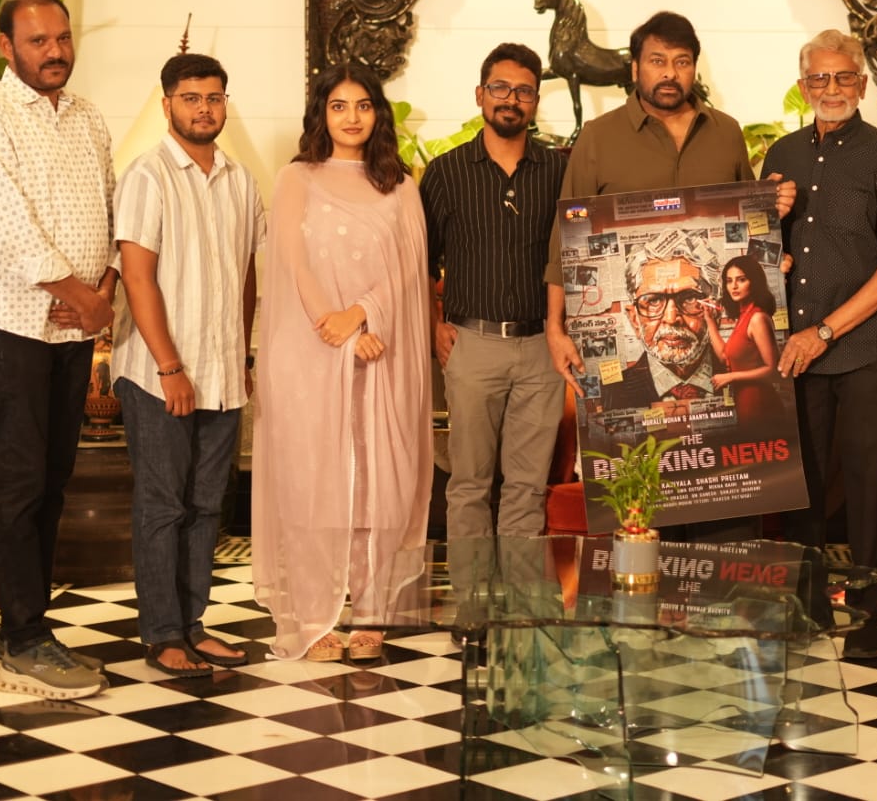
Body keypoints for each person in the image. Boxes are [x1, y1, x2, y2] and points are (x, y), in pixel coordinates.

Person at [544, 11, 794, 542]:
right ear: (635, 67)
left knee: (729, 528)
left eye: (681, 62)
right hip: (627, 410)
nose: (669, 73)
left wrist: (771, 247)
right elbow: (565, 238)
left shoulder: (725, 132)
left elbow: (745, 227)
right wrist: (555, 326)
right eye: (657, 61)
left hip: (731, 431)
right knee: (638, 526)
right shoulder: (598, 138)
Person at [0, 0, 116, 699]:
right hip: (14, 326)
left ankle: (29, 628)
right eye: (39, 41)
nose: (55, 51)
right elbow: (6, 224)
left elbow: (111, 208)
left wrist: (103, 288)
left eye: (63, 38)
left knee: (52, 481)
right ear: (7, 47)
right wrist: (84, 296)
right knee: (20, 483)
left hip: (72, 330)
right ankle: (21, 640)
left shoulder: (88, 117)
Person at [253, 64, 432, 664]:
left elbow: (408, 271)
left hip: (381, 353)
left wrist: (363, 316)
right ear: (321, 115)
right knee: (314, 485)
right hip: (311, 354)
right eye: (338, 106)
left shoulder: (399, 186)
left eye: (362, 105)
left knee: (379, 488)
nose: (351, 117)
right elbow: (293, 262)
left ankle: (372, 612)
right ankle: (313, 616)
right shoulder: (295, 178)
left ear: (378, 114)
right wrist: (338, 330)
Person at [762, 29, 877, 659]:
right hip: (795, 350)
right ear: (802, 84)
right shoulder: (781, 154)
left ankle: (867, 617)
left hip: (866, 349)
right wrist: (771, 236)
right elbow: (757, 251)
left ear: (861, 83)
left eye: (842, 77)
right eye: (819, 78)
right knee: (800, 484)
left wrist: (826, 331)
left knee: (865, 486)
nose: (830, 89)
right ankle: (807, 610)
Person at [110, 52, 264, 677]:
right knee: (162, 505)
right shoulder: (147, 176)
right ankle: (162, 634)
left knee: (205, 507)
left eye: (214, 98)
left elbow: (246, 273)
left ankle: (194, 624)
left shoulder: (240, 179)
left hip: (221, 372)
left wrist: (242, 354)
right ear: (167, 103)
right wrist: (170, 367)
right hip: (159, 376)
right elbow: (137, 277)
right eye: (191, 98)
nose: (204, 109)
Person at [421, 43, 566, 541]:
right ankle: (473, 590)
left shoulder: (558, 172)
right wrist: (433, 325)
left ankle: (520, 593)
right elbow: (422, 262)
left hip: (541, 349)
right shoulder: (446, 172)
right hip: (471, 345)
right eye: (500, 88)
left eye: (524, 91)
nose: (511, 99)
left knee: (528, 488)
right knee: (469, 485)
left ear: (535, 101)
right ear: (480, 94)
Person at [601, 233, 723, 411]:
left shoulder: (745, 378)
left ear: (716, 312)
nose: (671, 319)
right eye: (654, 301)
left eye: (689, 298)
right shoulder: (609, 393)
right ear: (634, 319)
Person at [710, 254, 783, 423]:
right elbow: (724, 357)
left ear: (754, 282)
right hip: (745, 404)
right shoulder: (743, 317)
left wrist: (730, 377)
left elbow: (772, 370)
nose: (734, 286)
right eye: (729, 281)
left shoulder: (757, 318)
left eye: (741, 280)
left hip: (762, 405)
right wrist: (709, 322)